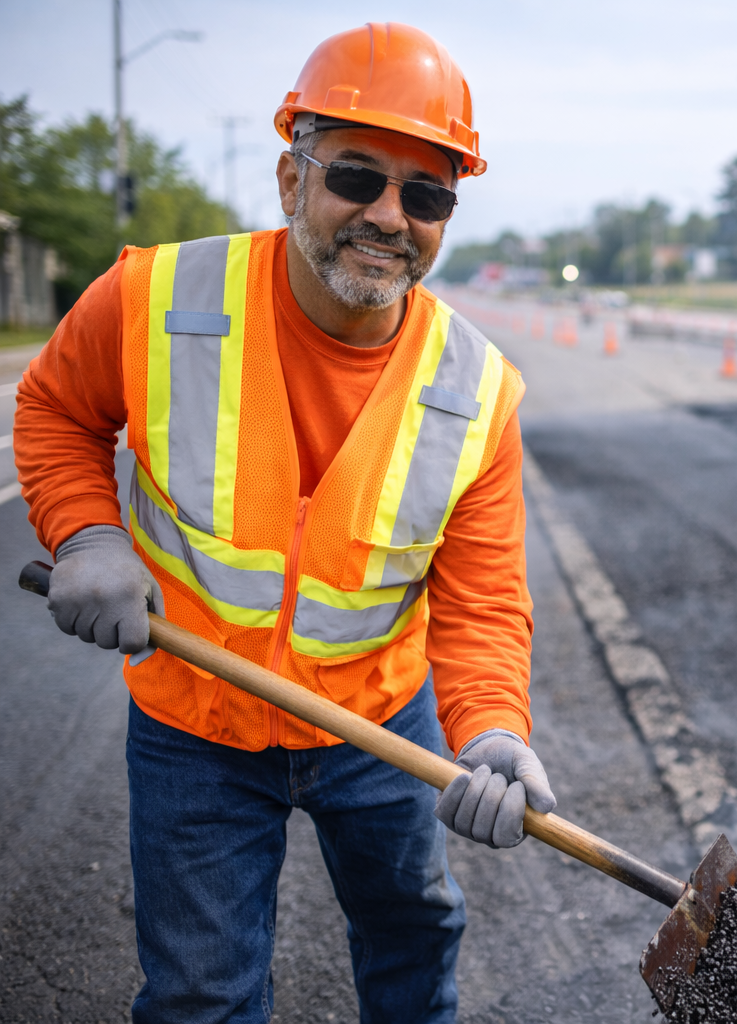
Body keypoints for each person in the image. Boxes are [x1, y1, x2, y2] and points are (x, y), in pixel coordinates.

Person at [14, 23, 549, 1022]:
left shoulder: (480, 391)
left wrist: (491, 731)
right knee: (202, 992)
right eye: (357, 177)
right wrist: (85, 531)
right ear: (291, 178)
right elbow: (54, 408)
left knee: (415, 932)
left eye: (425, 195)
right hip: (195, 719)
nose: (388, 216)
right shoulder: (155, 297)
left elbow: (483, 601)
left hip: (381, 721)